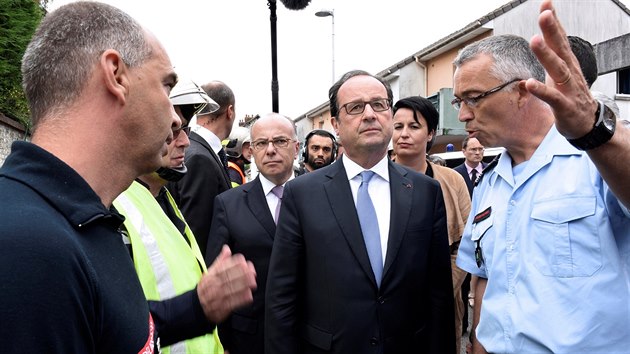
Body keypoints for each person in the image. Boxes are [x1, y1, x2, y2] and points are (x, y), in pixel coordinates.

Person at [454, 1, 630, 352]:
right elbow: (484, 278)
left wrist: (594, 131)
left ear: (521, 90)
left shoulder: (597, 160)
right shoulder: (489, 183)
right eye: (459, 101)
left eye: (473, 99)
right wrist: (477, 344)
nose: (462, 115)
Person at [0, 2, 177, 352]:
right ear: (116, 74)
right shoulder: (29, 248)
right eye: (166, 85)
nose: (176, 118)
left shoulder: (81, 220)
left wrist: (198, 308)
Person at [265, 69, 456, 354]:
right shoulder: (302, 194)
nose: (369, 114)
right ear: (336, 125)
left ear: (389, 115)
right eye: (355, 107)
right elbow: (282, 298)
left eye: (379, 105)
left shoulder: (425, 191)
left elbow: (439, 295)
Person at [113, 80, 257, 354]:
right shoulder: (118, 207)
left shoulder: (165, 200)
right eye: (173, 131)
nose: (185, 143)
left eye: (184, 130)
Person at [206, 113, 300, 354]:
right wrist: (224, 342)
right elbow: (218, 277)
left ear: (296, 147)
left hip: (308, 335)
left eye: (280, 141)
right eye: (261, 143)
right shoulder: (228, 204)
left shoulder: (319, 197)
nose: (270, 150)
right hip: (249, 339)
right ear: (251, 151)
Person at [392, 95, 471, 354]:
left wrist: (438, 290)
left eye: (414, 127)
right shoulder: (376, 181)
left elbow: (466, 245)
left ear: (431, 133)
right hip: (390, 303)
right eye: (398, 126)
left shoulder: (452, 180)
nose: (404, 134)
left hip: (442, 299)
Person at [168, 80, 236, 255]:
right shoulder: (200, 158)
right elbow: (197, 235)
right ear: (230, 111)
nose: (183, 141)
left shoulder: (196, 150)